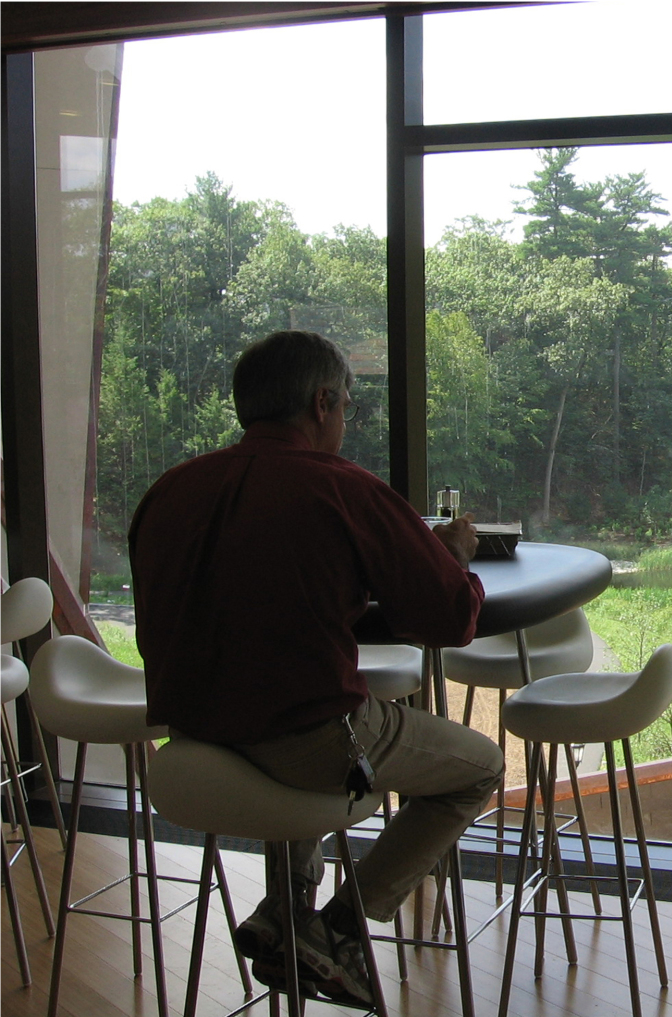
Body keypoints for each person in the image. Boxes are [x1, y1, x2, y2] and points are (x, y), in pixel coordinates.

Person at [129, 330, 505, 1005]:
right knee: (481, 767)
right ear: (322, 402)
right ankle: (339, 928)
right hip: (305, 742)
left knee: (276, 700)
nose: (345, 421)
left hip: (191, 740)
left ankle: (286, 912)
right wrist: (450, 555)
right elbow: (449, 619)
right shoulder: (342, 489)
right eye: (347, 407)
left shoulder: (169, 491)